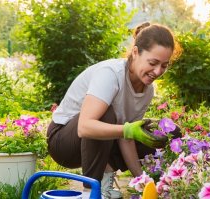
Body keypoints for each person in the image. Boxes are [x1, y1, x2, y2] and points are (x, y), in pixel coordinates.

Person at [47, 22, 182, 199]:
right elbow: (85, 127)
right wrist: (127, 129)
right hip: (63, 142)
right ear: (135, 52)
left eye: (164, 65)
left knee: (169, 131)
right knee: (106, 114)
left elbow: (126, 138)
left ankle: (106, 174)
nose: (157, 71)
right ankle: (93, 191)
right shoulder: (110, 73)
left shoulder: (147, 90)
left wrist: (143, 181)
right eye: (153, 62)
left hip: (95, 142)